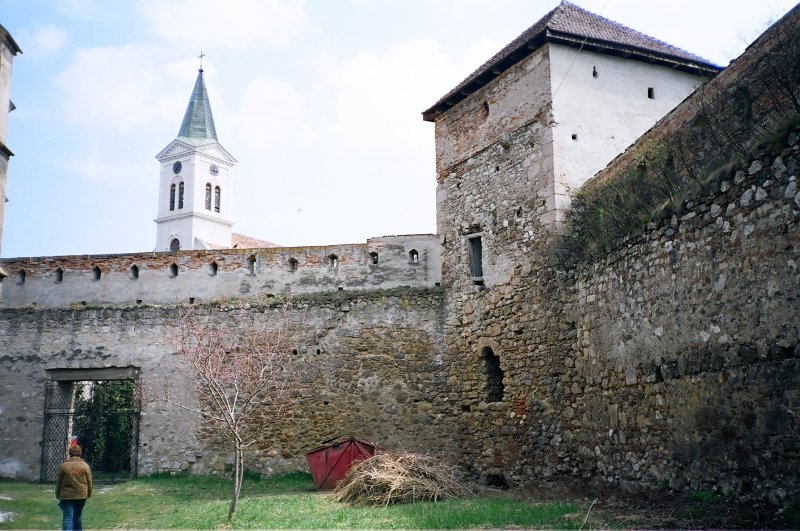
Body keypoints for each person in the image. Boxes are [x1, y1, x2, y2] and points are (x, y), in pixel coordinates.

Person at [55, 444, 92, 531]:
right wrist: (89, 493)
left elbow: (58, 482)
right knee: (77, 516)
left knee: (67, 517)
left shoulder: (64, 466)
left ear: (70, 453)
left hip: (66, 495)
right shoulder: (85, 466)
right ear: (80, 453)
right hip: (81, 494)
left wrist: (57, 494)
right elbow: (89, 482)